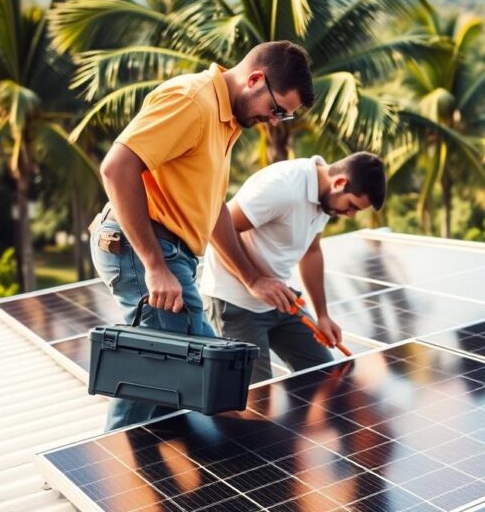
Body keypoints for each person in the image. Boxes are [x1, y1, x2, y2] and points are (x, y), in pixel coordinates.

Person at [90, 41, 314, 431]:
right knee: (184, 368)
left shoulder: (225, 120)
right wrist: (154, 266)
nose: (276, 121)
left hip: (169, 252)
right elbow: (116, 168)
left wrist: (253, 278)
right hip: (142, 247)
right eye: (277, 109)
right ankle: (113, 478)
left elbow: (213, 210)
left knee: (166, 374)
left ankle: (143, 463)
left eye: (285, 117)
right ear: (255, 80)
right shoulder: (192, 101)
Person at [200, 152, 387, 383]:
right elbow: (217, 223)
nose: (350, 215)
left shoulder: (325, 199)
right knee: (257, 400)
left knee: (326, 378)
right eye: (352, 206)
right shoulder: (284, 187)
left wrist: (322, 315)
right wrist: (253, 281)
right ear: (340, 183)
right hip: (235, 304)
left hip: (279, 301)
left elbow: (312, 251)